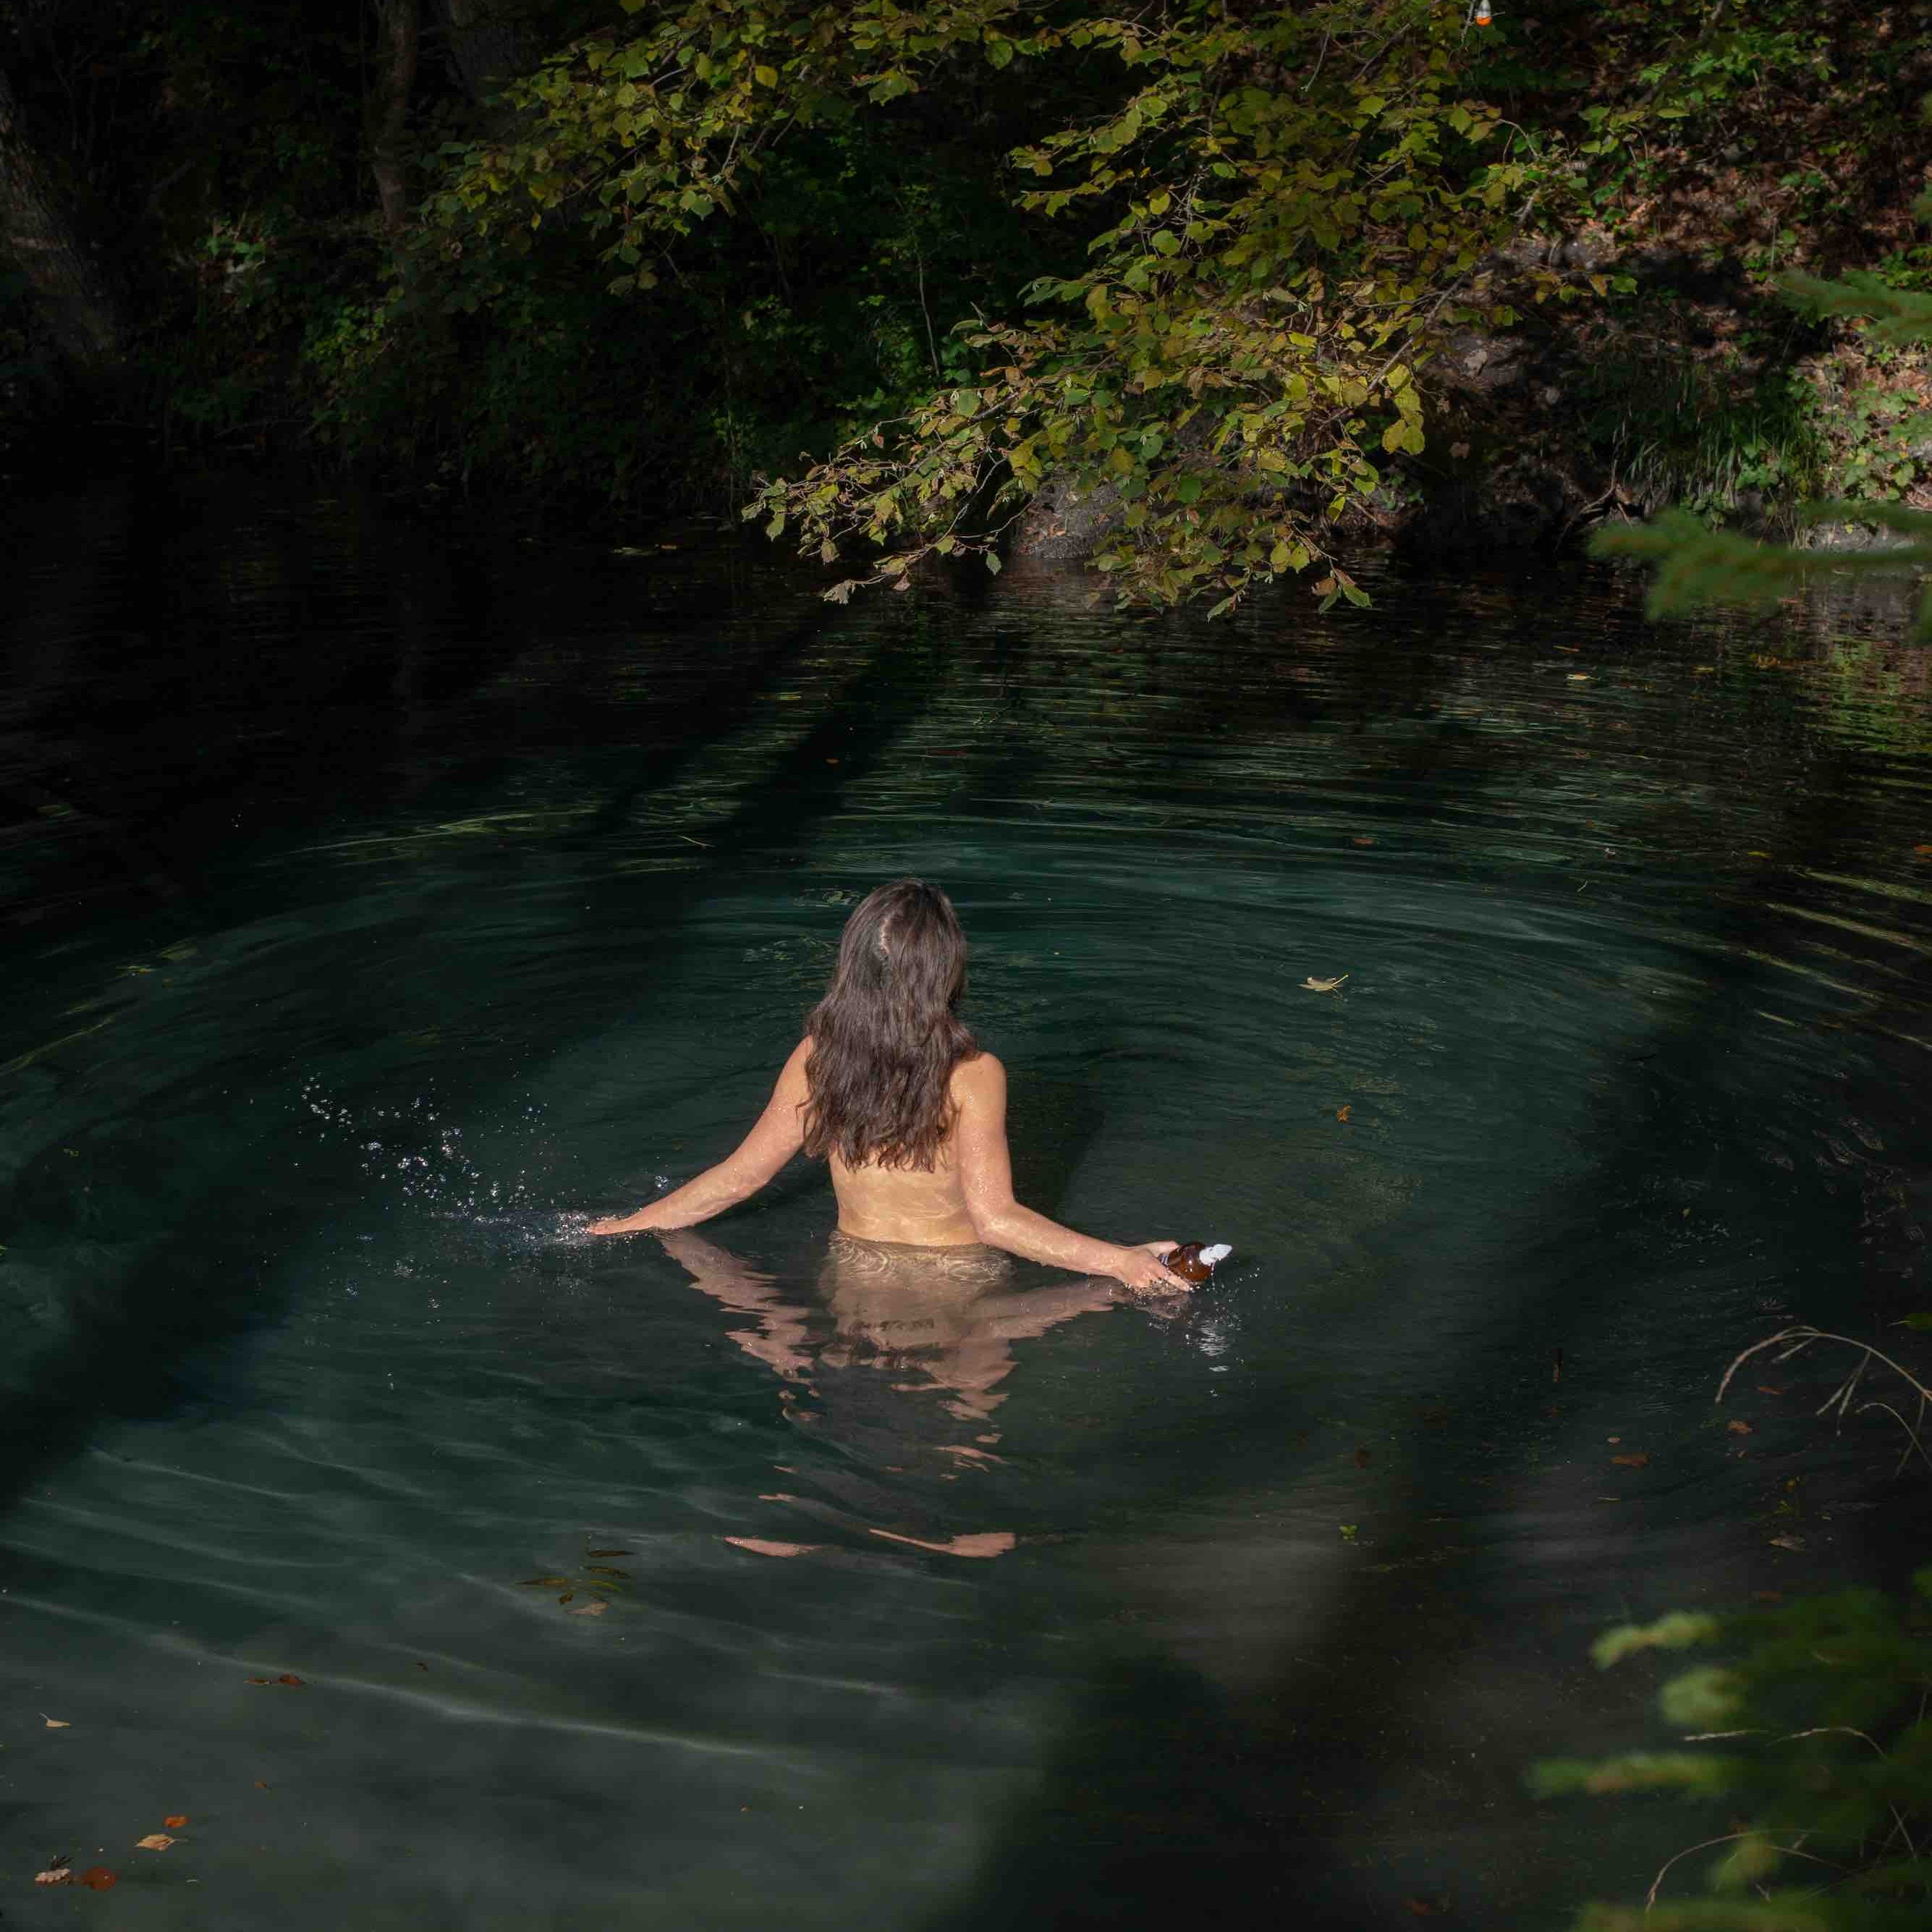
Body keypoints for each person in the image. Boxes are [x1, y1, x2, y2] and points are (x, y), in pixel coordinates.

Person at [587, 878, 1186, 1293]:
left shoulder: (817, 1057)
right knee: (960, 1447)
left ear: (852, 964)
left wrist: (619, 1228)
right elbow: (994, 1221)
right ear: (945, 970)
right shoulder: (973, 1075)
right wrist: (1121, 1263)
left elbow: (738, 1179)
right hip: (956, 1285)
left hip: (854, 1273)